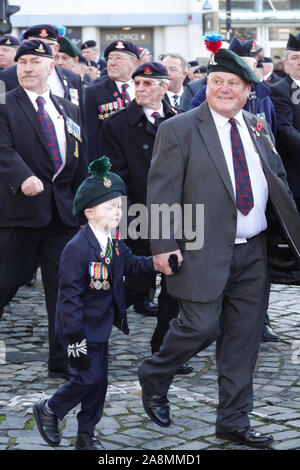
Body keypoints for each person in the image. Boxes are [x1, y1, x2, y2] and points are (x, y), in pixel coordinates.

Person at [137, 37, 300, 448]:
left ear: (249, 90)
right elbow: (160, 193)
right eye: (216, 81)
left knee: (243, 340)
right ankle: (156, 374)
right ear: (206, 85)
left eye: (233, 83)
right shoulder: (179, 129)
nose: (223, 88)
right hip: (200, 248)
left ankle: (233, 421)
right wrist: (162, 244)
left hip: (254, 252)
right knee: (199, 327)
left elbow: (276, 181)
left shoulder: (257, 125)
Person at [33, 156, 155, 450]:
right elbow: (68, 299)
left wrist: (158, 263)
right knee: (89, 378)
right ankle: (50, 409)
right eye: (110, 207)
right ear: (89, 212)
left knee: (98, 384)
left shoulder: (114, 240)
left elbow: (133, 265)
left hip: (99, 328)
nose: (118, 212)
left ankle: (86, 435)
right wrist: (74, 340)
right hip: (79, 329)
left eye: (119, 206)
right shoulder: (77, 248)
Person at [0, 40, 87, 378]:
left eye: (35, 61)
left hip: (61, 215)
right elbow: (2, 148)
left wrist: (86, 211)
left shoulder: (69, 109)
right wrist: (23, 176)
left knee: (65, 289)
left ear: (52, 66)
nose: (26, 67)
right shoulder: (5, 105)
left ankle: (63, 359)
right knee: (6, 281)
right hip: (19, 214)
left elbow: (79, 161)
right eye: (21, 61)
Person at [101, 62, 193, 374]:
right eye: (137, 82)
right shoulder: (117, 124)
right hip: (138, 214)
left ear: (164, 87)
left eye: (148, 83)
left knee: (174, 285)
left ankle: (164, 349)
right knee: (138, 285)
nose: (140, 88)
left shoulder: (179, 120)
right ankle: (90, 326)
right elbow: (115, 172)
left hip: (177, 215)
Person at [0, 25, 83, 108]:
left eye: (47, 45)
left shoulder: (73, 78)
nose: (40, 51)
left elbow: (80, 116)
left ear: (56, 49)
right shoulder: (6, 77)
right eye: (33, 44)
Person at [84, 40, 139, 161]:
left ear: (134, 63)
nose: (112, 63)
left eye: (118, 58)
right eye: (110, 58)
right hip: (110, 162)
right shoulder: (93, 92)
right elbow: (91, 135)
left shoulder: (143, 88)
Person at [270, 33, 300, 213]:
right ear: (286, 63)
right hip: (296, 174)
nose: (299, 62)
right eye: (295, 58)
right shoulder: (279, 90)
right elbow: (285, 130)